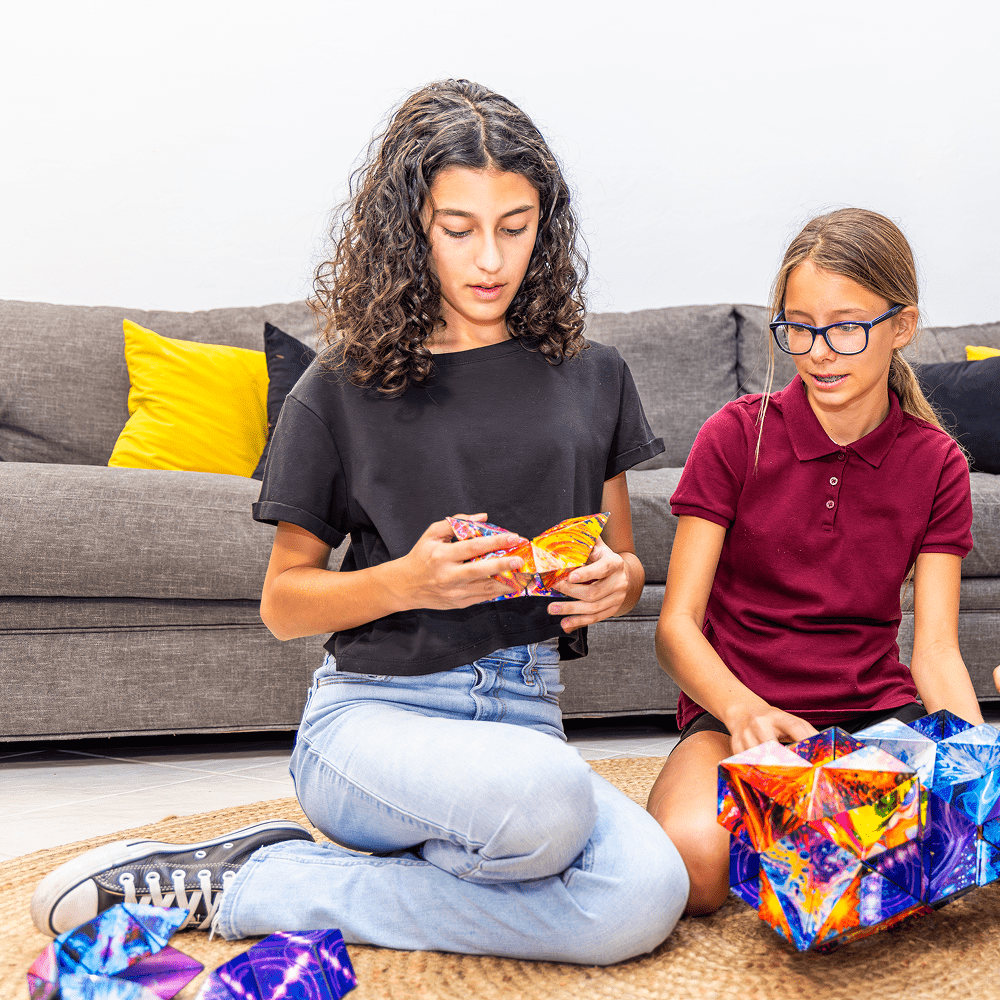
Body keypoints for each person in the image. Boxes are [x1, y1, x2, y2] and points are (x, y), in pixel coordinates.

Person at [31, 79, 688, 965]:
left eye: (516, 225)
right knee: (548, 812)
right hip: (374, 725)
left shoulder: (593, 375)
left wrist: (615, 582)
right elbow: (283, 604)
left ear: (548, 222)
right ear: (410, 227)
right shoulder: (342, 385)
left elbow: (619, 555)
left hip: (525, 723)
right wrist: (409, 581)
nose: (490, 258)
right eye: (459, 229)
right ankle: (454, 850)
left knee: (645, 899)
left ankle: (265, 881)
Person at [645, 207, 981, 917]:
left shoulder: (938, 462)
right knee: (693, 868)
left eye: (846, 327)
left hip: (876, 719)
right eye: (799, 326)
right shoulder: (734, 437)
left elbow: (938, 654)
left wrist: (977, 773)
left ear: (902, 326)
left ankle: (810, 848)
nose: (819, 350)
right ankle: (814, 849)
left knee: (964, 849)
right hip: (737, 715)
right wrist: (743, 710)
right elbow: (676, 627)